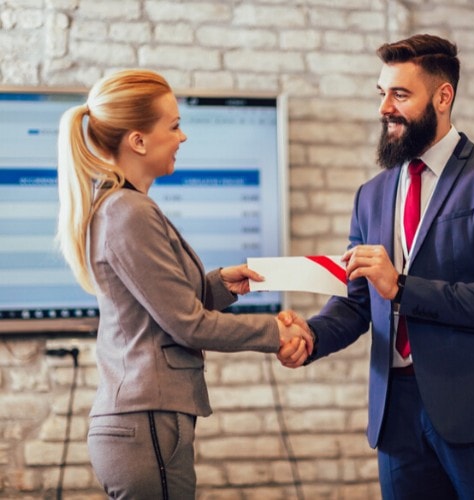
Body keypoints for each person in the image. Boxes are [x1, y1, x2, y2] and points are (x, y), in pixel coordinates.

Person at [278, 34, 474, 499]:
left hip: (473, 413)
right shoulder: (371, 195)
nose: (384, 108)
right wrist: (311, 336)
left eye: (400, 94)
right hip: (394, 415)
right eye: (382, 94)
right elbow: (358, 302)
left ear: (443, 96)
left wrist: (402, 287)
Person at [56, 69, 312, 498]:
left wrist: (219, 285)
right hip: (147, 423)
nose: (183, 137)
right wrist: (275, 331)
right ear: (138, 140)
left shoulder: (124, 206)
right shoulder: (128, 211)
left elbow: (157, 307)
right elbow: (187, 325)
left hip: (146, 423)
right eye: (173, 126)